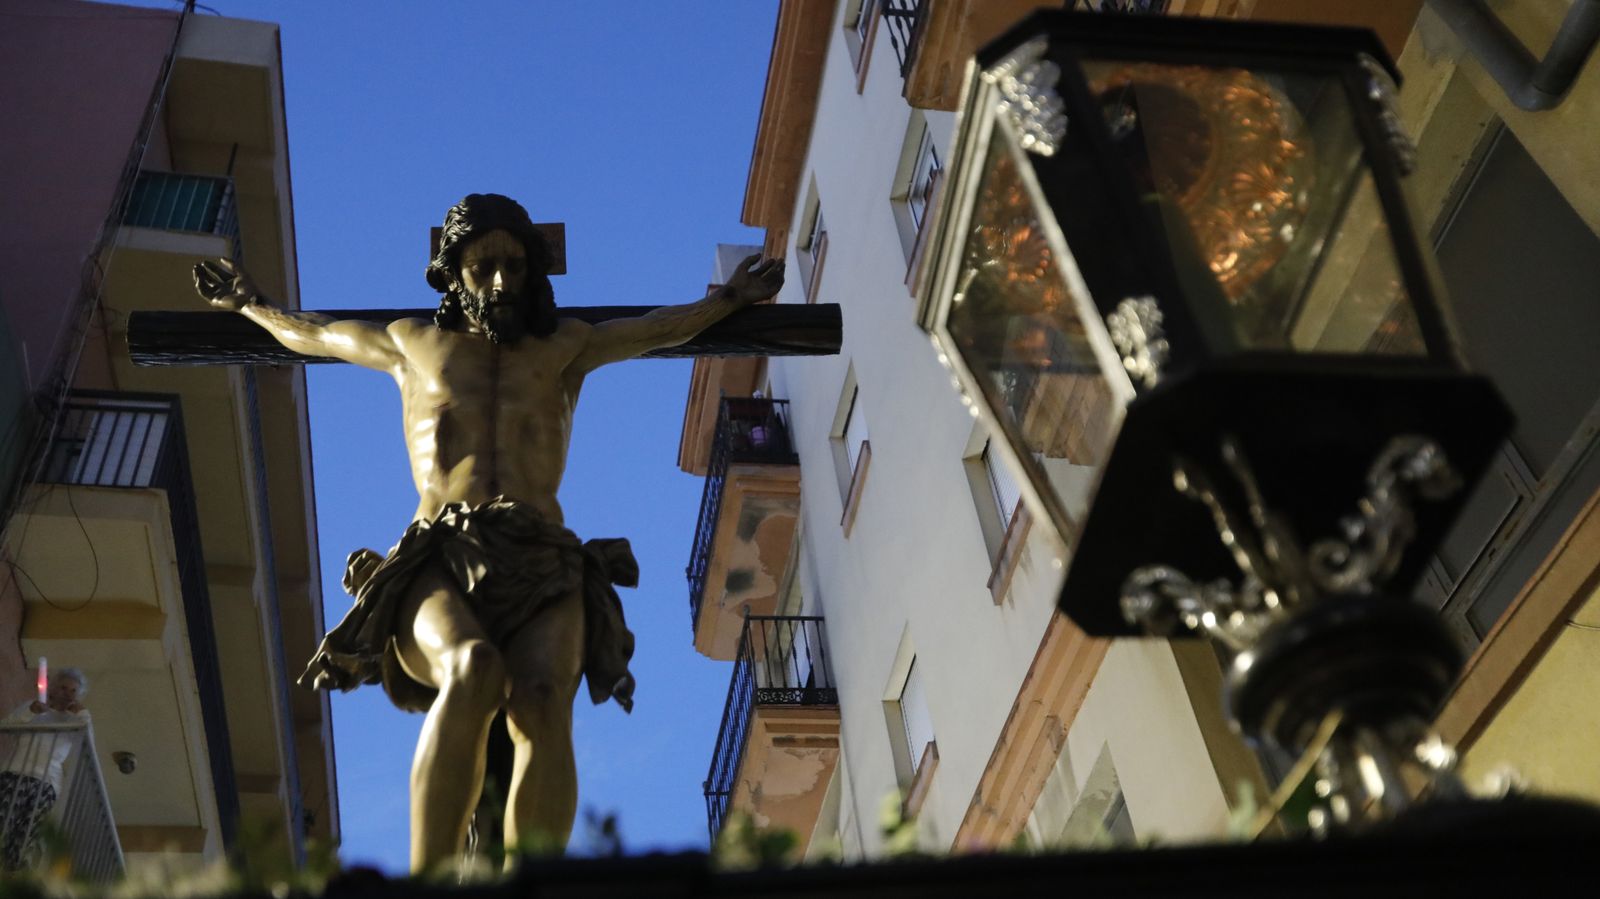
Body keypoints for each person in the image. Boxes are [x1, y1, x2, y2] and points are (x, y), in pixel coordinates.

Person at [192, 193, 783, 872]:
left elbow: (656, 329)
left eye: (515, 265)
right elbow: (319, 334)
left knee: (543, 701)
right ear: (452, 274)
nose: (501, 281)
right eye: (482, 266)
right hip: (441, 551)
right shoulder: (412, 343)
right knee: (471, 669)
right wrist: (250, 305)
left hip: (543, 555)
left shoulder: (567, 346)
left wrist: (729, 300)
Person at [1, 668, 90, 872]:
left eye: (73, 691)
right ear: (53, 688)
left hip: (47, 783)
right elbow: (7, 725)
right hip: (15, 773)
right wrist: (30, 712)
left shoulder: (75, 722)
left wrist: (83, 714)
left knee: (26, 837)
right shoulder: (33, 708)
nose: (67, 694)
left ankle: (11, 878)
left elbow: (87, 745)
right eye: (63, 687)